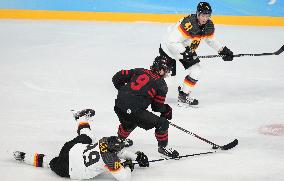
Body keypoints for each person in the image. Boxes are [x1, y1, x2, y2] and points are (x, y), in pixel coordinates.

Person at [13, 109, 149, 181]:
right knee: (50, 162)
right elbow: (124, 178)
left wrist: (136, 157)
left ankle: (81, 118)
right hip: (69, 169)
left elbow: (119, 152)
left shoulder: (105, 141)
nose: (121, 148)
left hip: (71, 148)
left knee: (87, 137)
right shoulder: (111, 160)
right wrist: (128, 166)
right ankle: (24, 157)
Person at [159, 2, 234, 107]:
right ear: (198, 14)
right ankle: (146, 94)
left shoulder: (208, 25)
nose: (205, 18)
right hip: (169, 49)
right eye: (203, 15)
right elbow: (171, 41)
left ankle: (183, 96)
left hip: (186, 50)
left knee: (196, 71)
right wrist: (184, 52)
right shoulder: (188, 24)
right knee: (168, 81)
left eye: (208, 16)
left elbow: (210, 40)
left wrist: (222, 50)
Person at [112, 55, 179, 158]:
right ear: (161, 70)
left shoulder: (140, 71)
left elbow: (117, 77)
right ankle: (163, 148)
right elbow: (156, 107)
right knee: (163, 123)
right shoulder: (161, 84)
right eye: (166, 70)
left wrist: (124, 92)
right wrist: (166, 110)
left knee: (130, 122)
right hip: (133, 110)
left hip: (119, 104)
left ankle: (119, 141)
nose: (167, 73)